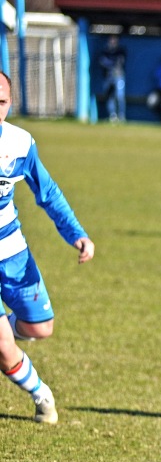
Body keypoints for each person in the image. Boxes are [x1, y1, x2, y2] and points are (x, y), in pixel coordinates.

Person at [0, 72, 95, 425]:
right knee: (4, 345)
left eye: (1, 102)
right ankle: (43, 396)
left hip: (12, 253)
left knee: (40, 328)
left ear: (10, 103)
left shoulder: (19, 144)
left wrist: (76, 234)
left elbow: (48, 193)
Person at [96, 36, 126, 123]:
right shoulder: (105, 52)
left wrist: (113, 66)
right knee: (109, 97)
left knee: (120, 96)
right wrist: (111, 66)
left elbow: (120, 62)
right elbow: (102, 62)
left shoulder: (121, 51)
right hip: (107, 77)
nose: (113, 42)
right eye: (111, 40)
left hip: (118, 76)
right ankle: (112, 116)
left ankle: (121, 116)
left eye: (115, 40)